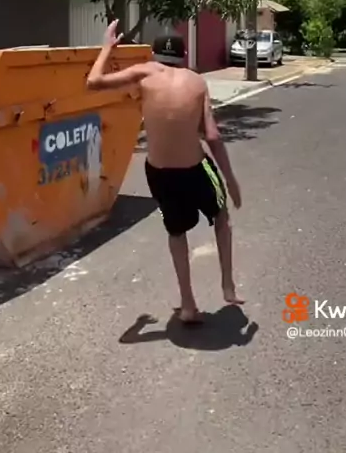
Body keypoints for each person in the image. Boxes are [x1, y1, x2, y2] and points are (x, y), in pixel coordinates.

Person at [87, 21, 243, 323]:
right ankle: (227, 284)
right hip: (195, 168)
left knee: (176, 231)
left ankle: (187, 304)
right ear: (183, 55)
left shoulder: (143, 72)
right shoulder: (196, 81)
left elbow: (93, 81)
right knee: (221, 217)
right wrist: (231, 181)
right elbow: (212, 135)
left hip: (160, 173)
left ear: (154, 54)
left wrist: (107, 47)